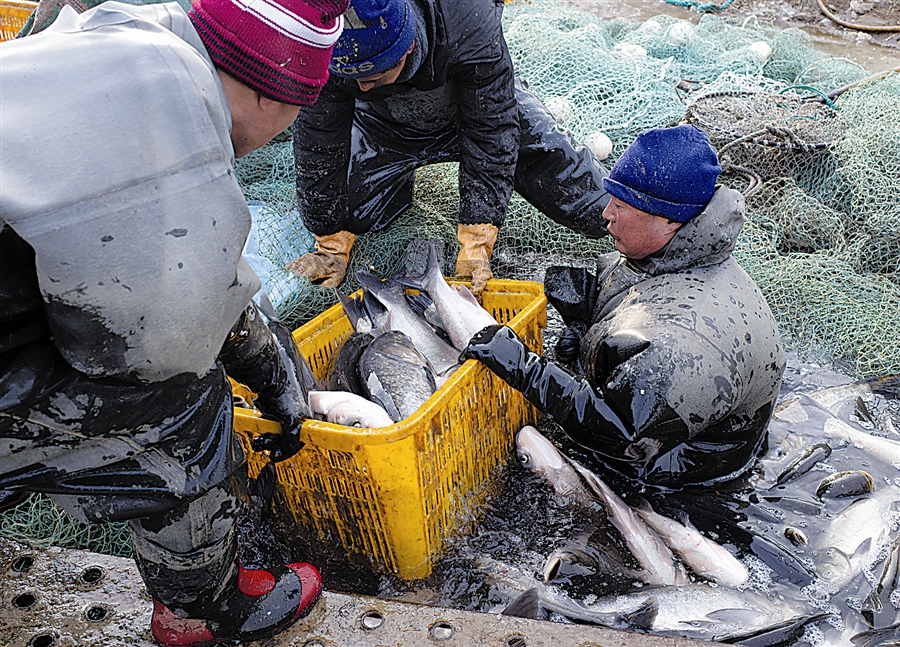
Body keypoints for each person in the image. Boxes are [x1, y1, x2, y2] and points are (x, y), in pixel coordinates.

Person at [0, 0, 347, 643]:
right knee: (183, 409)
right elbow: (164, 345)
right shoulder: (175, 110)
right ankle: (202, 610)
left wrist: (272, 374)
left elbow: (176, 272)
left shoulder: (116, 36)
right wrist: (266, 378)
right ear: (277, 94)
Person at [462, 125, 786, 490]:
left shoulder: (687, 344)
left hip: (673, 478)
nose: (606, 213)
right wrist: (587, 330)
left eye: (623, 205)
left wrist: (527, 369)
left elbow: (627, 439)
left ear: (669, 220)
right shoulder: (672, 250)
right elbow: (631, 290)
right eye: (611, 197)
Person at [286, 0, 611, 296]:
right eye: (354, 78)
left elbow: (492, 131)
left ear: (408, 45)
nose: (364, 86)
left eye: (375, 73)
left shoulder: (468, 17)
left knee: (593, 202)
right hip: (384, 127)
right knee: (351, 215)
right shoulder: (324, 35)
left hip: (479, 103)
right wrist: (328, 237)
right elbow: (319, 142)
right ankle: (389, 194)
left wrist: (477, 235)